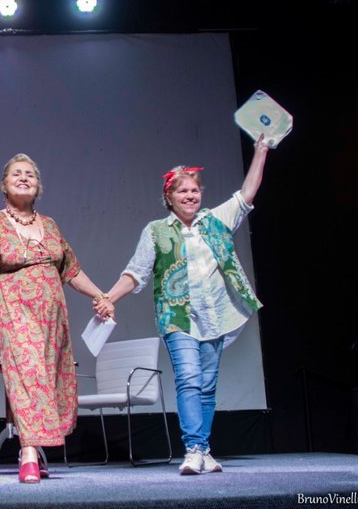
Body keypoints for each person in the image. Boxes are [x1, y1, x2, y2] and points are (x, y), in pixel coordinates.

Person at [97, 136, 270, 475]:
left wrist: (261, 151)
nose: (190, 196)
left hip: (215, 316)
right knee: (189, 378)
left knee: (207, 385)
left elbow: (247, 194)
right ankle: (192, 449)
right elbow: (135, 273)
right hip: (177, 317)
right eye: (182, 191)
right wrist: (107, 298)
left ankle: (204, 449)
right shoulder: (156, 231)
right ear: (169, 197)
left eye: (194, 190)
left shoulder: (215, 221)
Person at [0, 153, 111, 484]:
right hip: (14, 311)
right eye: (16, 174)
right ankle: (29, 454)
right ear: (3, 185)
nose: (24, 178)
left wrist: (100, 295)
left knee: (48, 376)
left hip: (53, 317)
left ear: (39, 186)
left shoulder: (50, 225)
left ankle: (32, 450)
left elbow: (71, 270)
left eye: (30, 174)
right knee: (27, 372)